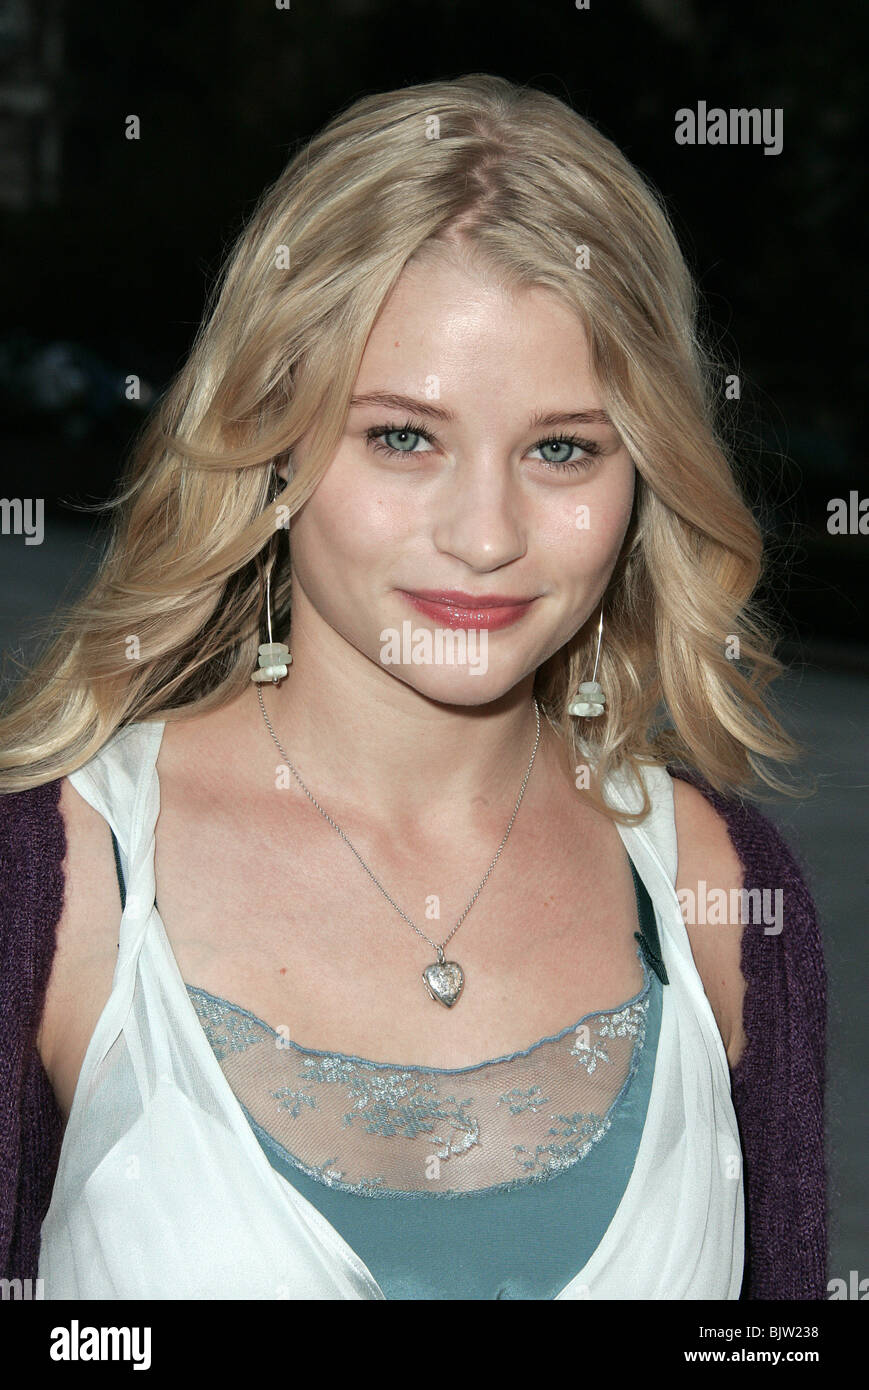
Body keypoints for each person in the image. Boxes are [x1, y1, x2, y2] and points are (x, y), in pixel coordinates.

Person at [0, 73, 826, 1300]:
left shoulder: (721, 889)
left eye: (561, 448)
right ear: (272, 432)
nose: (484, 534)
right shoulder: (51, 884)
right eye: (402, 436)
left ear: (644, 466)